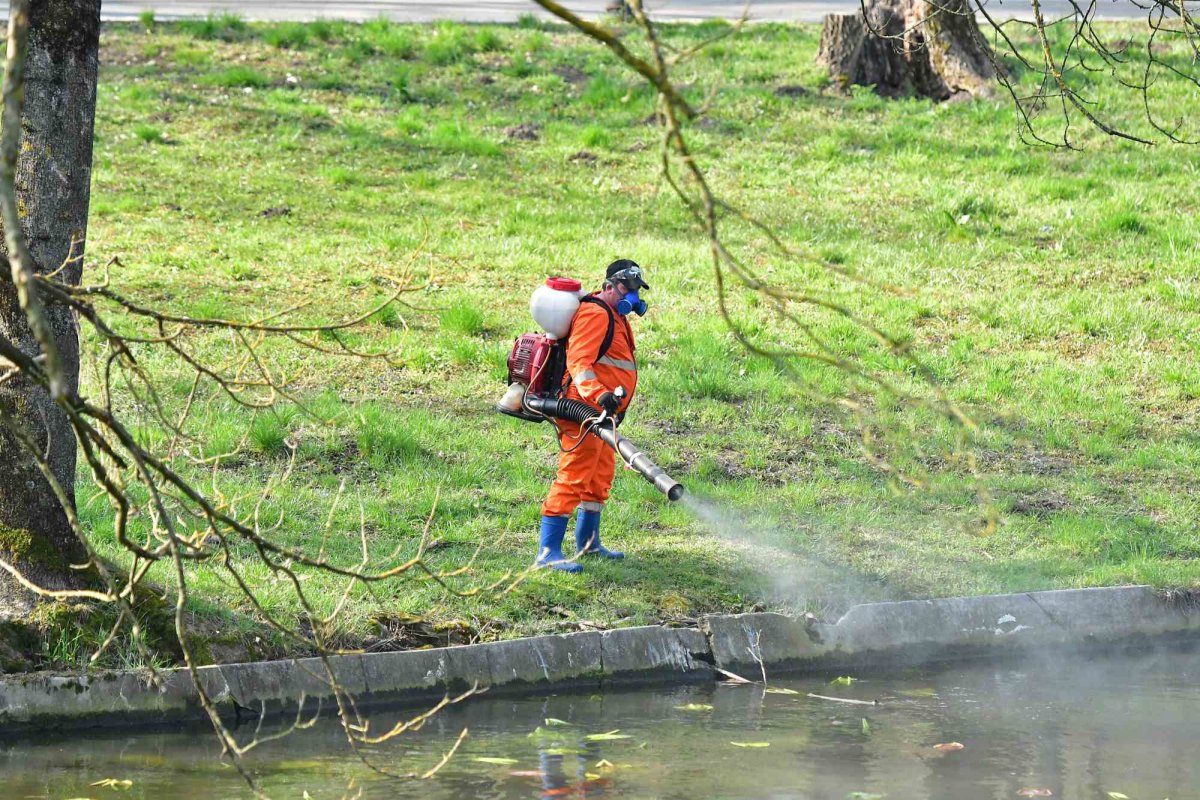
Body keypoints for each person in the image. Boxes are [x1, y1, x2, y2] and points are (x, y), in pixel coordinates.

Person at [535, 259, 649, 573]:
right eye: (627, 288)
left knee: (599, 477)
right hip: (582, 411)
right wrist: (598, 394)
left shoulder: (615, 314)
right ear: (609, 286)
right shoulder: (595, 313)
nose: (633, 296)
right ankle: (547, 553)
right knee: (574, 476)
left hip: (603, 415)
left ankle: (588, 544)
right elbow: (579, 362)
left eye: (637, 290)